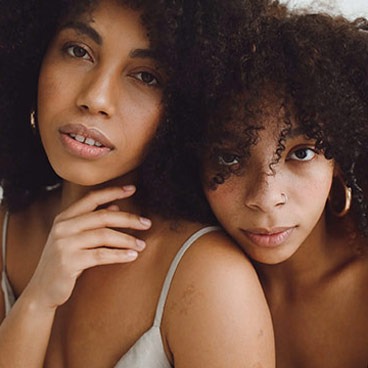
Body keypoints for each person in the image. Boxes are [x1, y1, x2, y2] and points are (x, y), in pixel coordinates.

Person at [0, 0, 275, 367]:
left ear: (184, 109)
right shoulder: (5, 228)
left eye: (146, 76)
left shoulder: (211, 281)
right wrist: (36, 301)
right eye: (78, 51)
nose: (95, 98)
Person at [194, 9, 368, 368]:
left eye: (300, 153)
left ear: (339, 158)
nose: (266, 197)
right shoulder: (195, 284)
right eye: (229, 158)